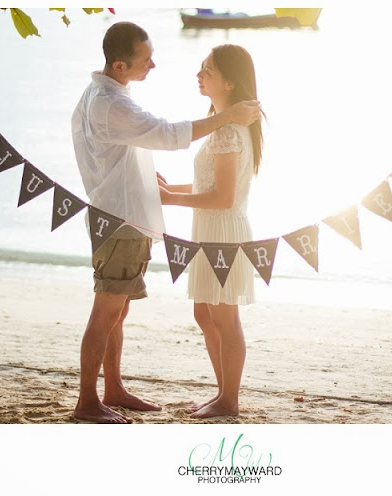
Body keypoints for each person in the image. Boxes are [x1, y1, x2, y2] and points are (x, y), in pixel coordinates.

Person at [71, 22, 260, 424]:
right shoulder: (110, 103)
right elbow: (165, 133)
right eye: (145, 60)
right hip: (120, 217)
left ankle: (114, 388)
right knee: (108, 310)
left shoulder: (105, 92)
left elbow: (218, 188)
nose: (154, 65)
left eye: (206, 69)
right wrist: (226, 118)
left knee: (120, 311)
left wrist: (166, 191)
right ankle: (89, 400)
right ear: (120, 65)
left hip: (131, 216)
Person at [159, 44, 264, 418]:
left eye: (207, 70)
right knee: (205, 315)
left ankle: (228, 400)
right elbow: (209, 183)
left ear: (229, 82)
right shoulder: (227, 127)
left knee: (224, 317)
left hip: (222, 232)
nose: (199, 75)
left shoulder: (228, 133)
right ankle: (223, 392)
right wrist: (171, 190)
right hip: (211, 230)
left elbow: (222, 197)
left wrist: (169, 200)